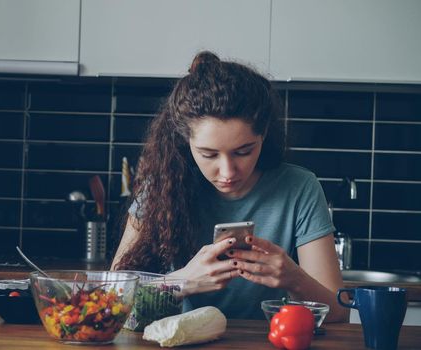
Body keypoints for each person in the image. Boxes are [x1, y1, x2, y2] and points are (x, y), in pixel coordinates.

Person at [111, 51, 348, 322]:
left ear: (264, 134)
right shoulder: (159, 188)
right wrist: (183, 282)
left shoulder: (299, 188)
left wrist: (294, 278)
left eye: (244, 151)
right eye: (209, 154)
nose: (227, 172)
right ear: (185, 140)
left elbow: (340, 314)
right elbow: (112, 300)